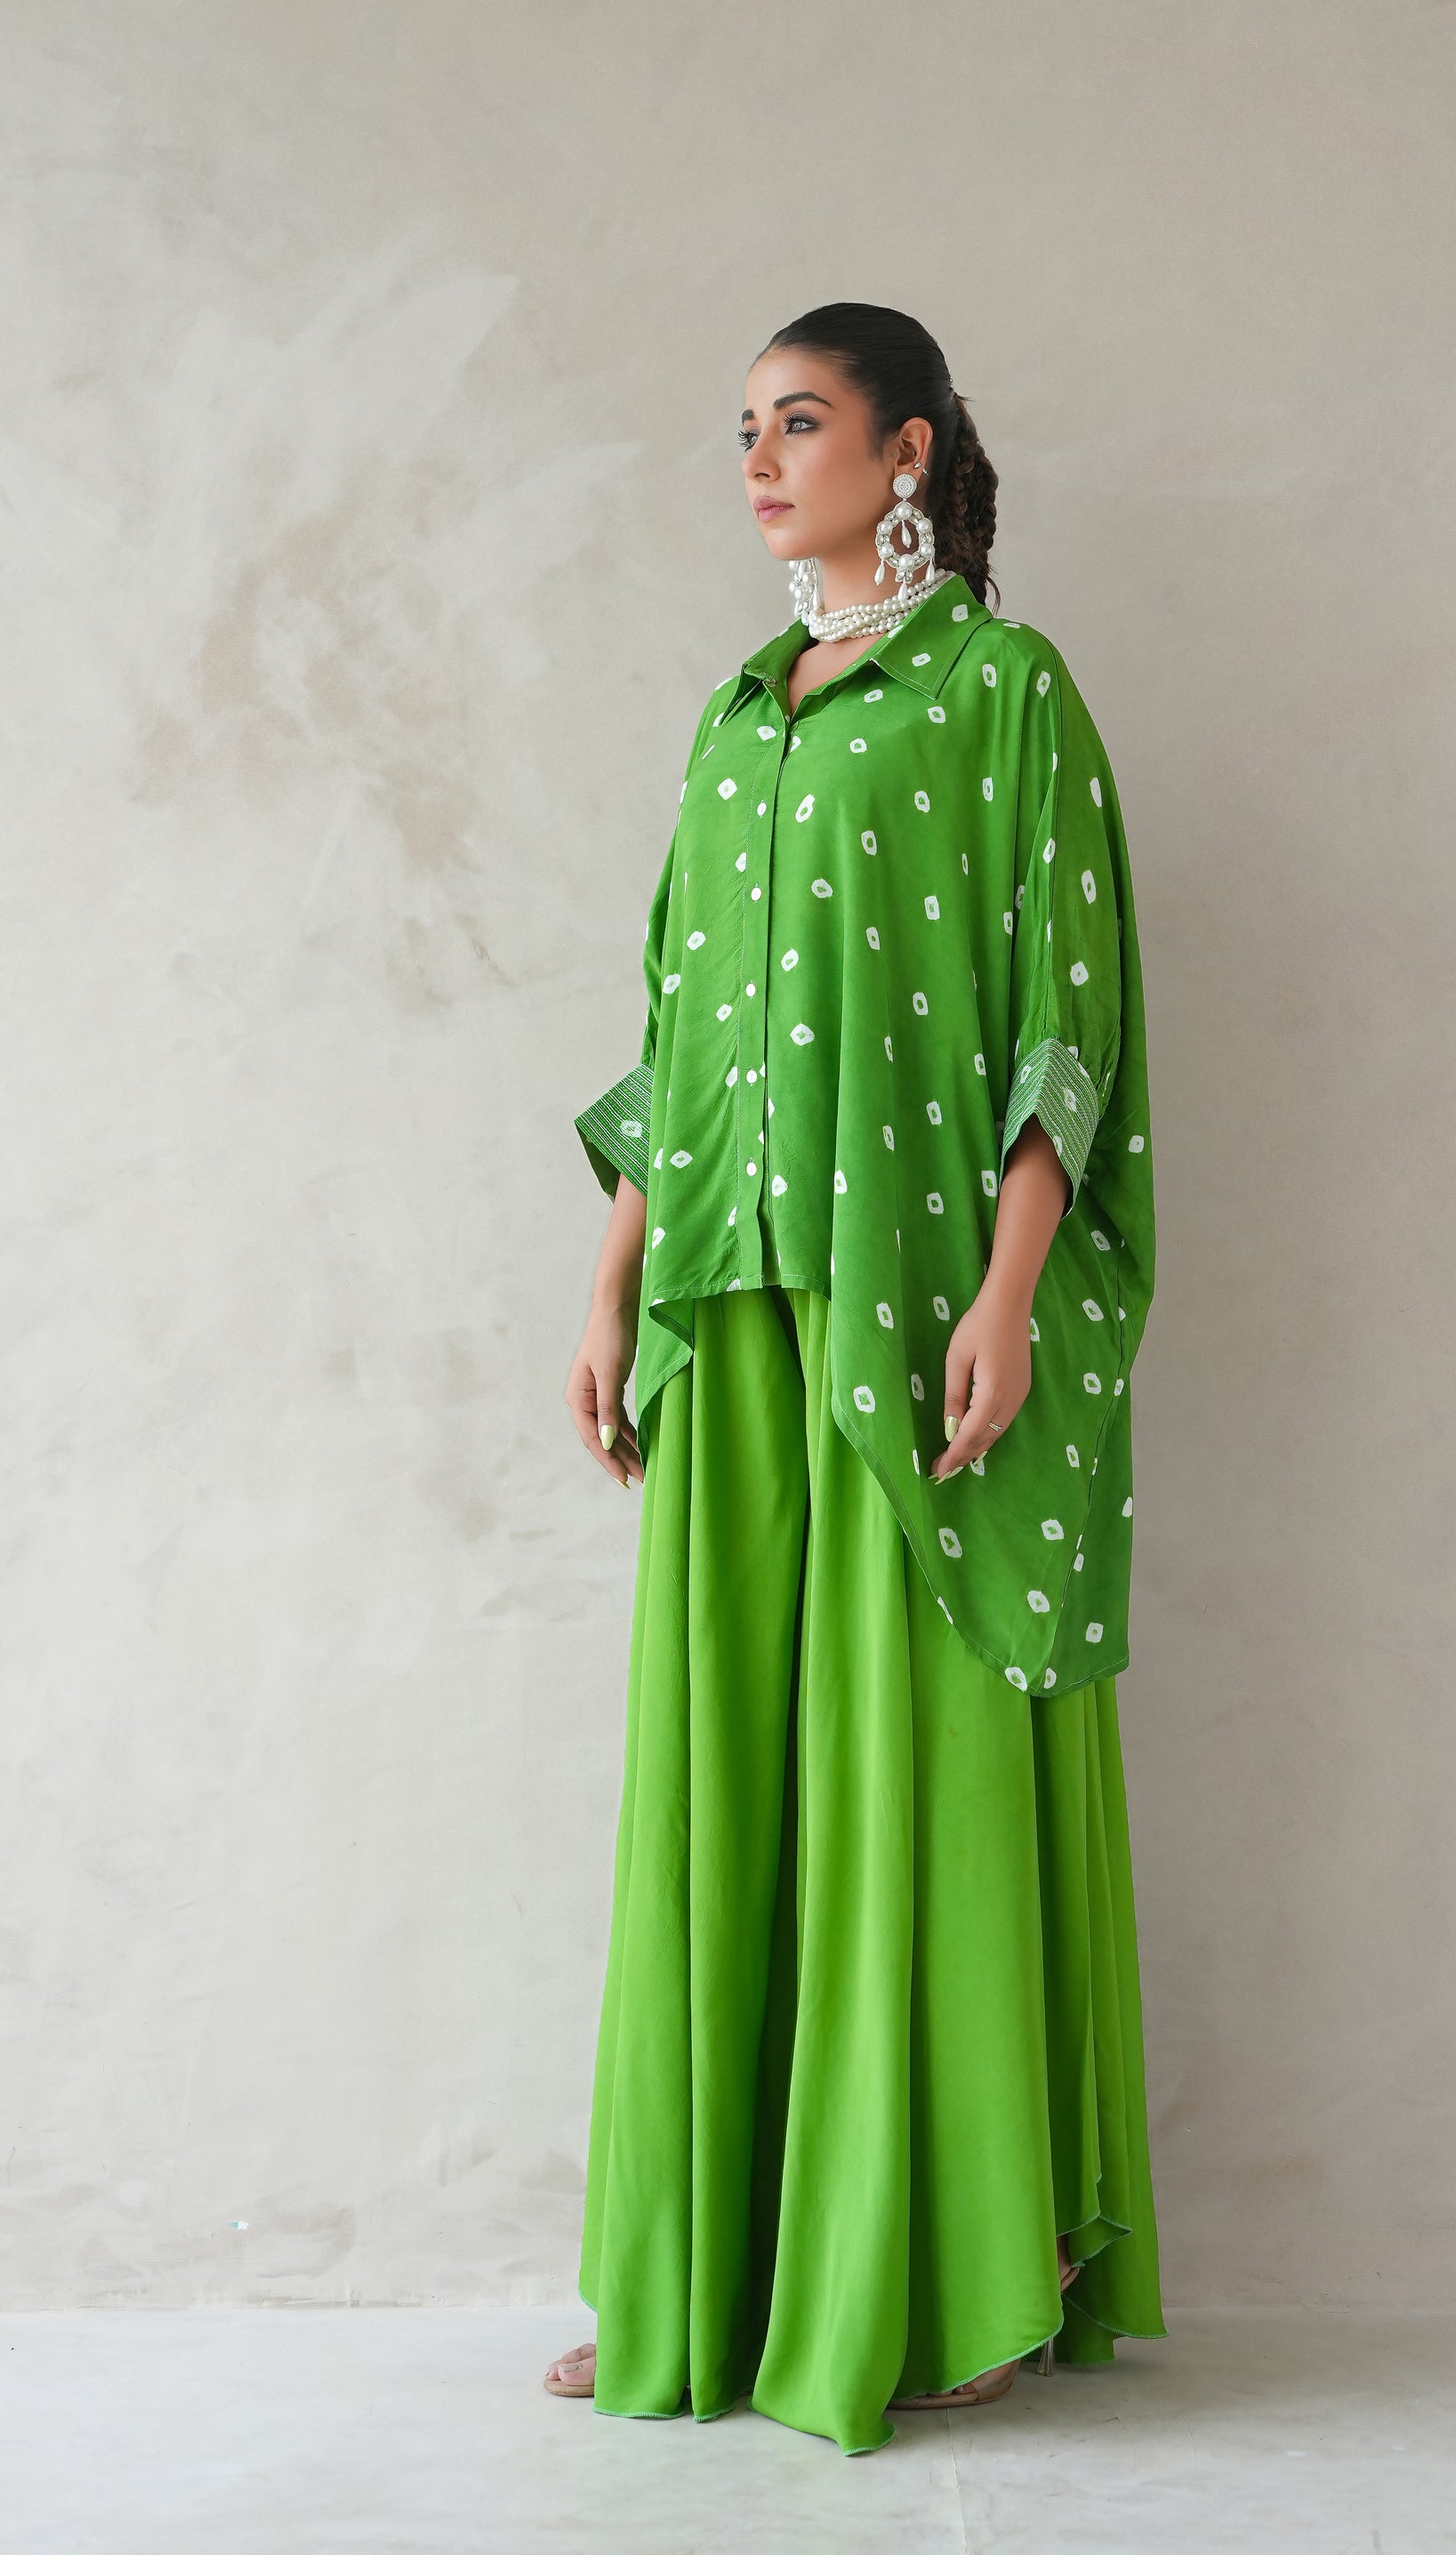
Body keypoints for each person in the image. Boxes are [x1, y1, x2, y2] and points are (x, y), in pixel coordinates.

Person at [544, 302, 1165, 2455]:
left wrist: (1009, 1292)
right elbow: (680, 1027)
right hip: (730, 1303)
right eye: (740, 427)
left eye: (796, 422)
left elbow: (1061, 1016)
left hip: (911, 1301)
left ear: (905, 451)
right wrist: (611, 1282)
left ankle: (966, 2266)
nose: (756, 459)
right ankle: (710, 2270)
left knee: (925, 1753)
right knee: (731, 1766)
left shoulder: (1000, 692)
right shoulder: (737, 718)